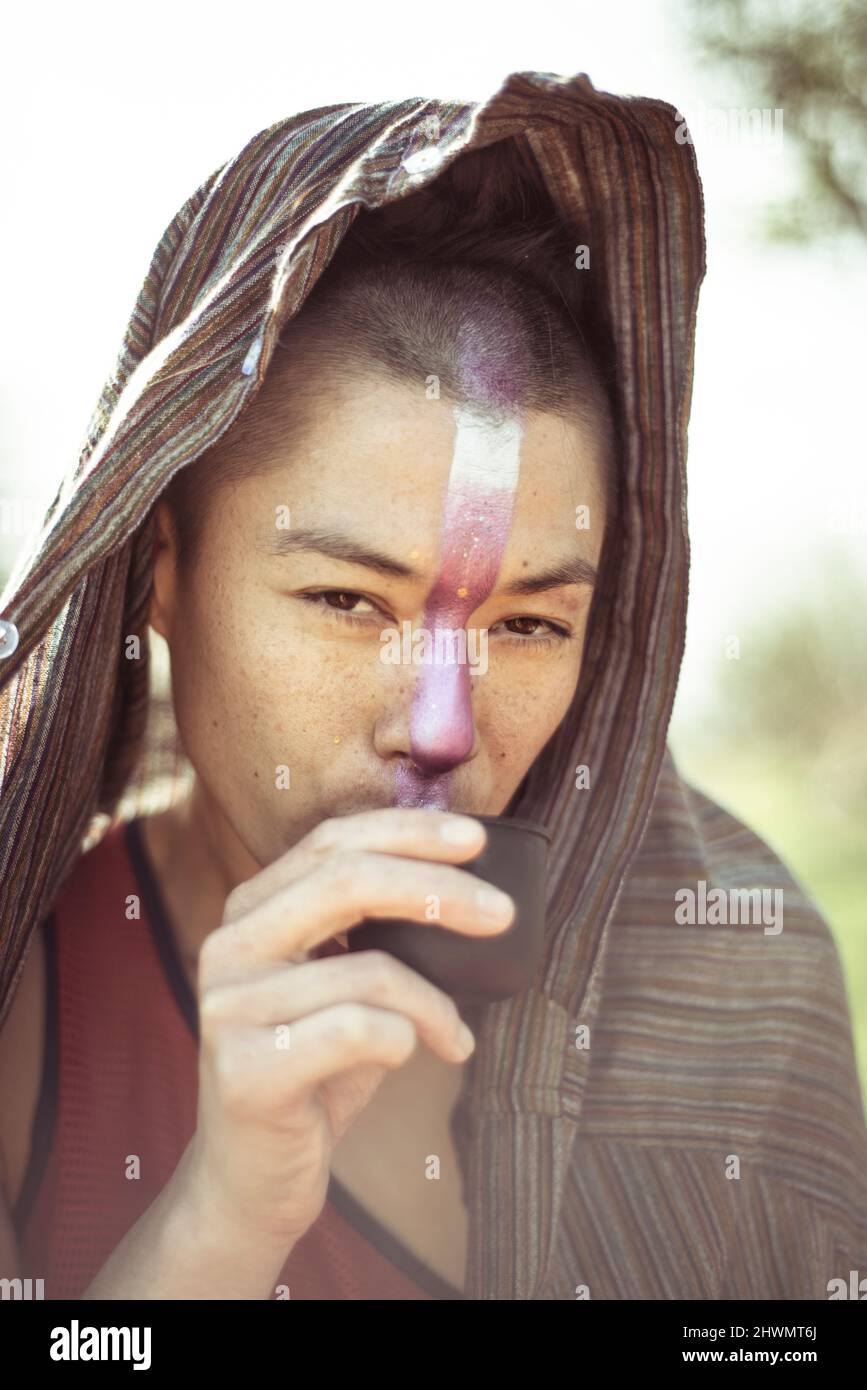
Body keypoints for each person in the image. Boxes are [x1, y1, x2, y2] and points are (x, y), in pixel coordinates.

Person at [0, 70, 865, 1302]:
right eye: (350, 602)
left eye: (529, 622)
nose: (444, 729)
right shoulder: (25, 997)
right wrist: (218, 1221)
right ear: (158, 571)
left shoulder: (742, 991)